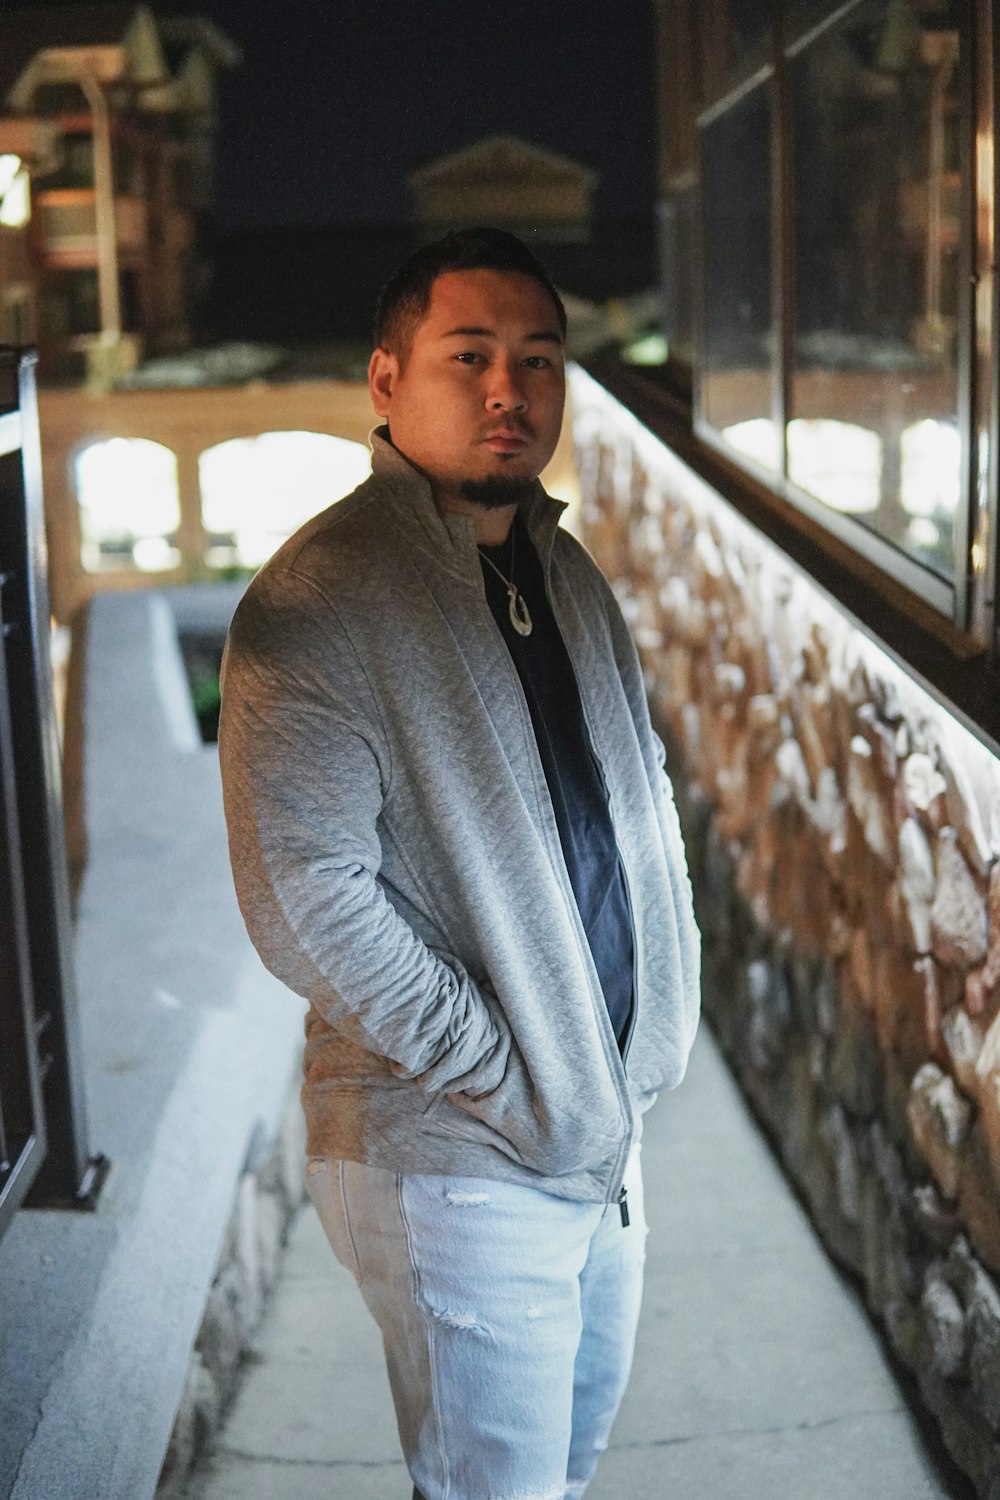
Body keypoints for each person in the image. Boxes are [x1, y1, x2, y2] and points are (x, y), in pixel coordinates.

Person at [218, 226, 701, 1500]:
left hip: (595, 1130)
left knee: (562, 1471)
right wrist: (505, 1073)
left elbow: (640, 803)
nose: (509, 390)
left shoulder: (564, 571)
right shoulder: (318, 600)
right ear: (385, 379)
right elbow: (305, 903)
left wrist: (644, 1043)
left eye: (537, 360)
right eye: (470, 354)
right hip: (453, 1155)